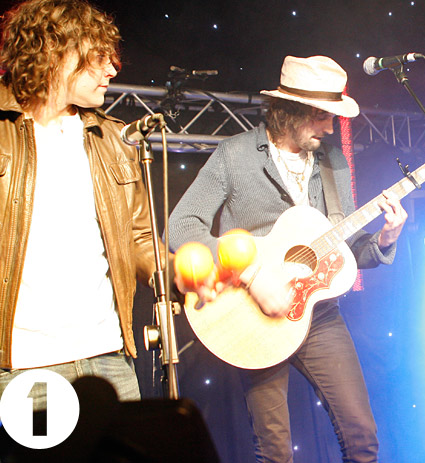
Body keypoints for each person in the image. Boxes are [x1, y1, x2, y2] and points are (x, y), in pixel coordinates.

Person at [0, 0, 156, 462]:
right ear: (55, 51)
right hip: (12, 370)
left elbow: (140, 241)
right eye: (98, 57)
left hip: (110, 363)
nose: (113, 69)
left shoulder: (112, 138)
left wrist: (183, 273)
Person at [168, 55, 407, 463]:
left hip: (320, 316)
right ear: (289, 111)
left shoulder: (333, 161)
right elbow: (181, 227)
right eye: (320, 116)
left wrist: (385, 237)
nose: (330, 127)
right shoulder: (234, 155)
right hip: (252, 314)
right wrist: (254, 274)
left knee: (362, 438)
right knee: (275, 451)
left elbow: (341, 250)